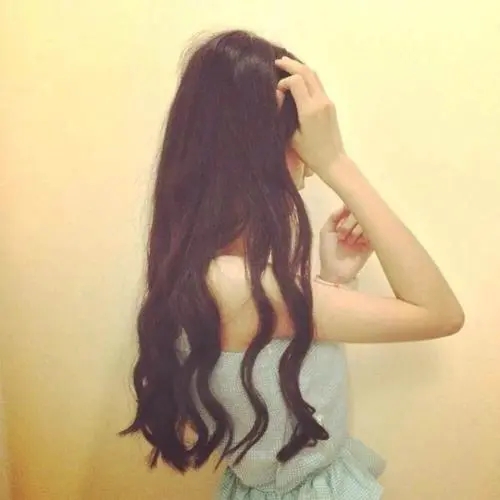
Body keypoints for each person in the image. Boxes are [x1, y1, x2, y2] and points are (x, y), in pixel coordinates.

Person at [120, 30, 465, 499]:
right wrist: (337, 161)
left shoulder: (208, 272)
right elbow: (440, 313)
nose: (308, 159)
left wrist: (333, 279)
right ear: (259, 147)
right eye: (299, 135)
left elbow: (278, 371)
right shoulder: (240, 285)